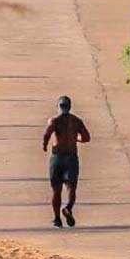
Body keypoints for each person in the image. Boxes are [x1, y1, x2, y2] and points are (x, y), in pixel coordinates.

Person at [42, 96, 91, 228]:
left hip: (57, 157)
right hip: (71, 157)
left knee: (56, 190)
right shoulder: (76, 121)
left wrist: (45, 145)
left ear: (58, 106)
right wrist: (76, 139)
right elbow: (87, 138)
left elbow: (47, 134)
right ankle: (68, 208)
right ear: (70, 107)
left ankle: (57, 219)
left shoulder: (54, 120)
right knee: (71, 187)